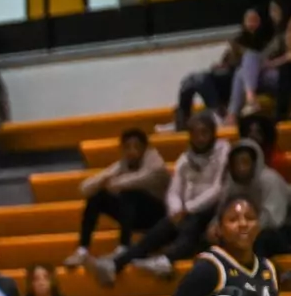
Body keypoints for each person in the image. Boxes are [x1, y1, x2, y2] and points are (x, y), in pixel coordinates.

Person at [95, 112, 229, 283]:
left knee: (193, 223)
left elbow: (218, 189)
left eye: (205, 133)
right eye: (196, 134)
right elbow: (174, 190)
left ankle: (167, 259)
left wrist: (188, 209)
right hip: (186, 212)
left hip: (211, 212)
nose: (200, 138)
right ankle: (116, 264)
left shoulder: (223, 151)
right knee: (162, 228)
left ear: (213, 133)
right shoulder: (185, 158)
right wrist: (176, 209)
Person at [66, 128, 169, 268]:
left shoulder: (156, 163)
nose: (132, 151)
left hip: (161, 217)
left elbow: (138, 180)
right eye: (127, 147)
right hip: (137, 216)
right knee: (97, 196)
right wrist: (102, 181)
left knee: (129, 192)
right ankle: (82, 249)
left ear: (145, 148)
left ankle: (124, 247)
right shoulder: (123, 164)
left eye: (136, 147)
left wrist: (114, 183)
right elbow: (84, 189)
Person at [224, 138, 291, 258]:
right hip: (248, 229)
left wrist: (244, 230)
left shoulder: (270, 180)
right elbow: (223, 211)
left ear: (255, 163)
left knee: (262, 238)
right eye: (236, 163)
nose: (241, 168)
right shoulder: (231, 184)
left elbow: (274, 220)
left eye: (245, 162)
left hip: (282, 231)